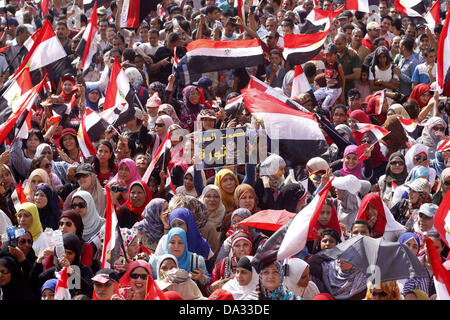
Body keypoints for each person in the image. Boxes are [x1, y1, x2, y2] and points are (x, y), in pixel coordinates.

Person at [31, 233, 94, 298]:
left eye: (69, 253)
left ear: (76, 255)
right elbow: (33, 283)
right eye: (62, 252)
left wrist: (71, 272)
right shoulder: (54, 271)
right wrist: (39, 260)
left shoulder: (84, 270)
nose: (65, 256)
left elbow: (89, 291)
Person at [208, 231, 253, 295]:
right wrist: (212, 288)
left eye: (245, 245)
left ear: (250, 247)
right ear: (233, 249)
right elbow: (210, 289)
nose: (242, 249)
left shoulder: (258, 264)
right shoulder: (222, 264)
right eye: (237, 245)